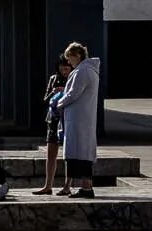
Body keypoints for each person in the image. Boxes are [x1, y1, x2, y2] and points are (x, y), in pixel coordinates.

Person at [50, 41, 101, 198]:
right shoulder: (87, 70)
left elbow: (73, 94)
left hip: (79, 120)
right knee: (82, 153)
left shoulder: (83, 71)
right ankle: (85, 186)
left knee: (79, 154)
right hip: (81, 119)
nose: (69, 62)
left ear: (77, 56)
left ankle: (86, 187)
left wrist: (59, 103)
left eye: (70, 59)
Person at [31, 59, 69, 196]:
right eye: (62, 69)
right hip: (53, 119)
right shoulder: (53, 79)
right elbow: (45, 100)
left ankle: (67, 185)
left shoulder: (74, 78)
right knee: (51, 153)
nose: (64, 72)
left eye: (66, 68)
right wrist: (54, 92)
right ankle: (48, 185)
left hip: (68, 118)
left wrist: (65, 91)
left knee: (68, 154)